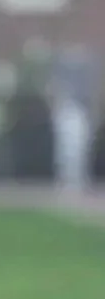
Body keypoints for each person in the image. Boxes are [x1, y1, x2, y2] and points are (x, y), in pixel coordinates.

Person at [47, 40, 99, 196]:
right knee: (66, 150)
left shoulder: (86, 74)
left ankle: (77, 180)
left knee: (79, 149)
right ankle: (66, 180)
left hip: (80, 112)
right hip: (66, 111)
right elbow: (52, 90)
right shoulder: (60, 71)